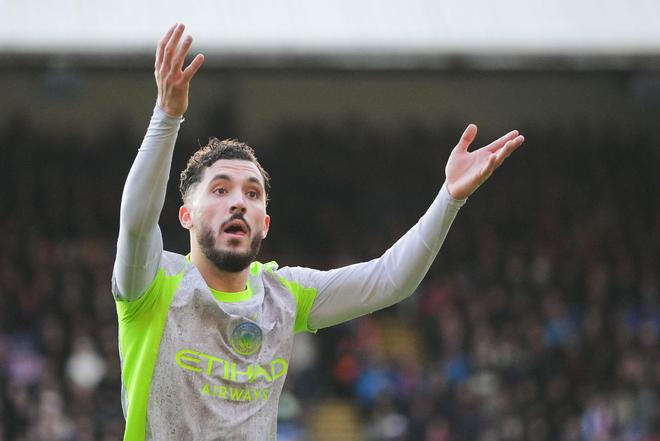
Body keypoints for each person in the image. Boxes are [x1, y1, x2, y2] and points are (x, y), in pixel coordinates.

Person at [112, 23, 525, 441]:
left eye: (252, 194)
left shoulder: (282, 295)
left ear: (264, 224)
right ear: (185, 216)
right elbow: (137, 221)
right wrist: (167, 116)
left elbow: (390, 280)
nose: (238, 202)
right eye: (220, 190)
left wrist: (449, 198)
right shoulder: (152, 285)